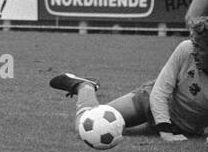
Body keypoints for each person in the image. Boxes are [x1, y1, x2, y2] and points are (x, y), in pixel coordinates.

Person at [50, 17, 208, 143]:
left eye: (199, 47)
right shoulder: (185, 48)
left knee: (116, 131)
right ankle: (85, 87)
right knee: (85, 127)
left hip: (181, 127)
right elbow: (159, 92)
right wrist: (165, 133)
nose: (193, 51)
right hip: (148, 102)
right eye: (193, 44)